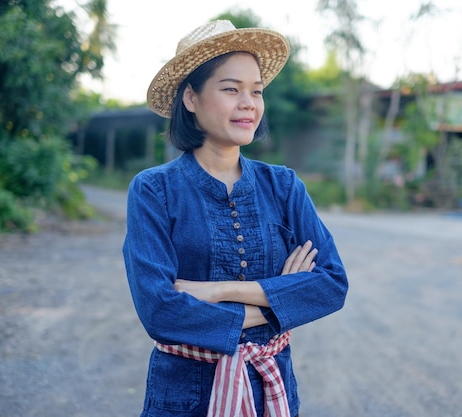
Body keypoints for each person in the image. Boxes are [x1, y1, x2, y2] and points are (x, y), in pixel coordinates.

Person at [122, 20, 348, 417]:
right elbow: (159, 311)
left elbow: (331, 284)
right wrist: (281, 295)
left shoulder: (283, 186)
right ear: (191, 98)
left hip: (272, 392)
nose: (249, 103)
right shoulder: (154, 190)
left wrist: (218, 290)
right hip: (183, 399)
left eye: (257, 91)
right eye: (231, 89)